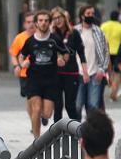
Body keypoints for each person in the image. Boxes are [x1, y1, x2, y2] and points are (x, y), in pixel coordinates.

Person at [19, 10, 68, 138]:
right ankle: (37, 140)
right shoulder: (30, 41)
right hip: (34, 79)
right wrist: (22, 63)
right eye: (40, 20)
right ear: (36, 23)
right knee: (36, 109)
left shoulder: (55, 39)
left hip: (51, 80)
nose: (43, 23)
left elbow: (66, 53)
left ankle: (41, 118)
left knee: (47, 114)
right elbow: (21, 56)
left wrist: (62, 59)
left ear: (49, 23)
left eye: (46, 20)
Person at [51, 7, 88, 121]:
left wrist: (85, 72)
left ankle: (78, 131)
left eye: (59, 17)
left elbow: (81, 53)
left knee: (70, 105)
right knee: (57, 106)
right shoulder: (51, 34)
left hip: (71, 72)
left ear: (64, 18)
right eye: (55, 18)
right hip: (56, 73)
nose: (58, 20)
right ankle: (56, 135)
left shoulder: (73, 33)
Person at [75, 4, 109, 118]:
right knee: (77, 106)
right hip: (78, 74)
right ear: (82, 16)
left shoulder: (99, 32)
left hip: (95, 74)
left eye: (92, 13)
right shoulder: (75, 31)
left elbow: (105, 52)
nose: (91, 16)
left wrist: (102, 69)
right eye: (88, 14)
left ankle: (91, 133)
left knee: (93, 106)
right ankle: (77, 132)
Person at [10, 12, 35, 119]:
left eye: (33, 21)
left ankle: (41, 114)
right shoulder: (19, 38)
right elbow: (13, 54)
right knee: (30, 99)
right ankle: (33, 120)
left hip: (41, 72)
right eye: (28, 22)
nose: (31, 24)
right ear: (24, 24)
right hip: (25, 73)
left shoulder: (43, 36)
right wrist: (16, 66)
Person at [100, 11, 121, 100]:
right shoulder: (120, 27)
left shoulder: (104, 25)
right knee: (117, 72)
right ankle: (114, 91)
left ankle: (110, 83)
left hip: (106, 51)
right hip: (117, 52)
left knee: (108, 71)